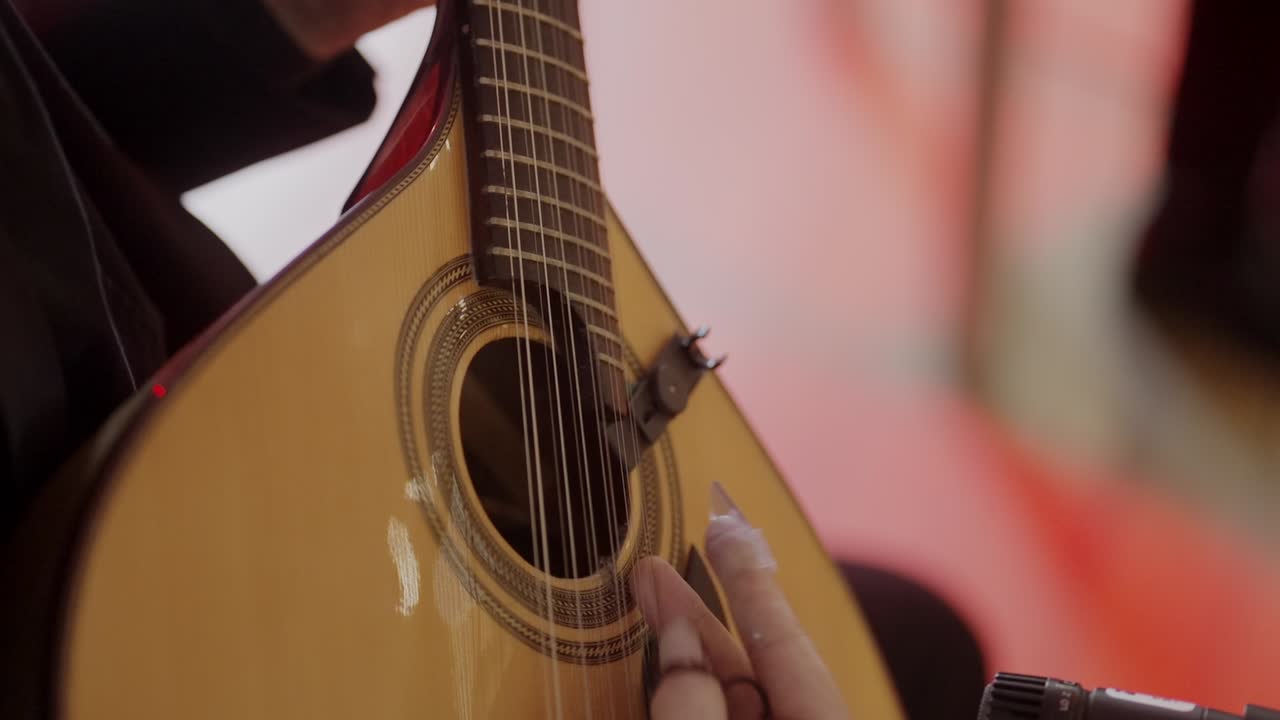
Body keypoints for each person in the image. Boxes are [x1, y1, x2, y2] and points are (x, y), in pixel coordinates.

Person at [0, 1, 985, 716]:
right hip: (120, 580)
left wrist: (290, 20)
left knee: (921, 639)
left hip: (149, 420)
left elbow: (38, 142)